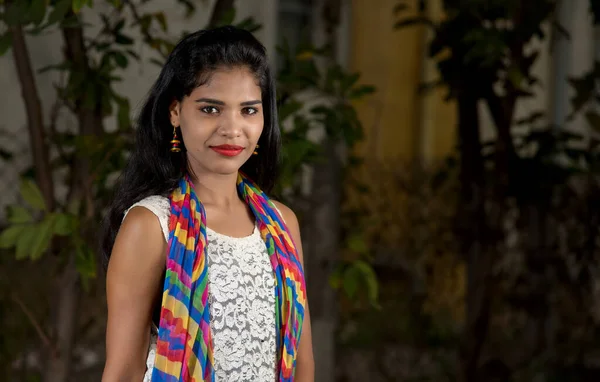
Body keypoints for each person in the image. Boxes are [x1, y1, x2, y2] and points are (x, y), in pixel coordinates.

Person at [100, 26, 314, 382]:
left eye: (248, 110)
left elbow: (302, 364)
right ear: (175, 112)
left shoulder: (282, 223)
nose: (232, 129)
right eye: (211, 109)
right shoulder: (152, 225)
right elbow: (123, 370)